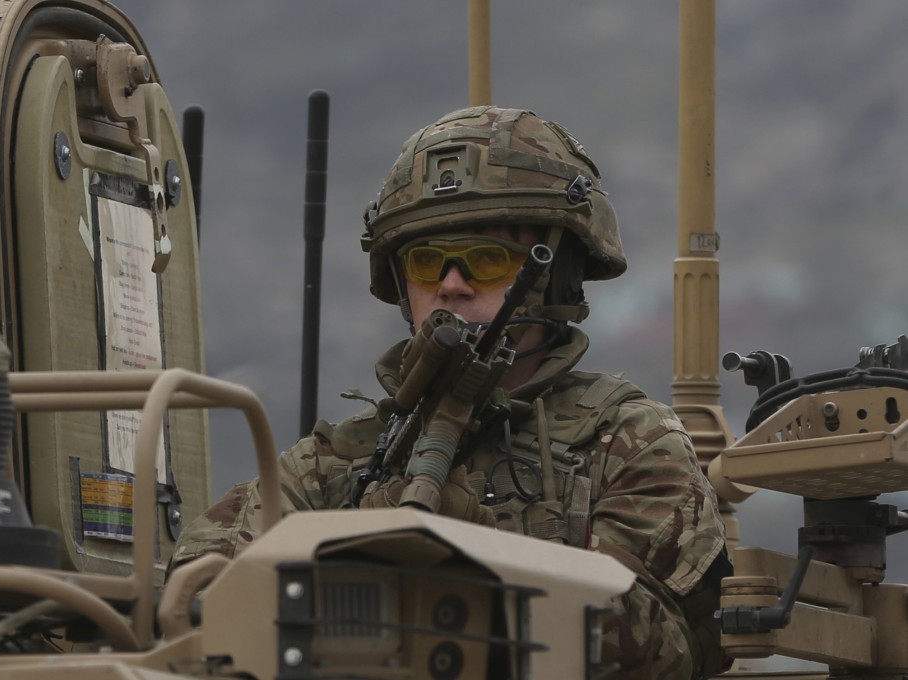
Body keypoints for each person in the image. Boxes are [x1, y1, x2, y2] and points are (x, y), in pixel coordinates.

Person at [171, 106, 731, 678]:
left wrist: (477, 553)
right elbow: (191, 606)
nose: (451, 285)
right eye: (427, 262)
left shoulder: (628, 441)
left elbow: (659, 649)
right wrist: (348, 544)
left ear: (555, 277)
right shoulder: (331, 464)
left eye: (488, 261)